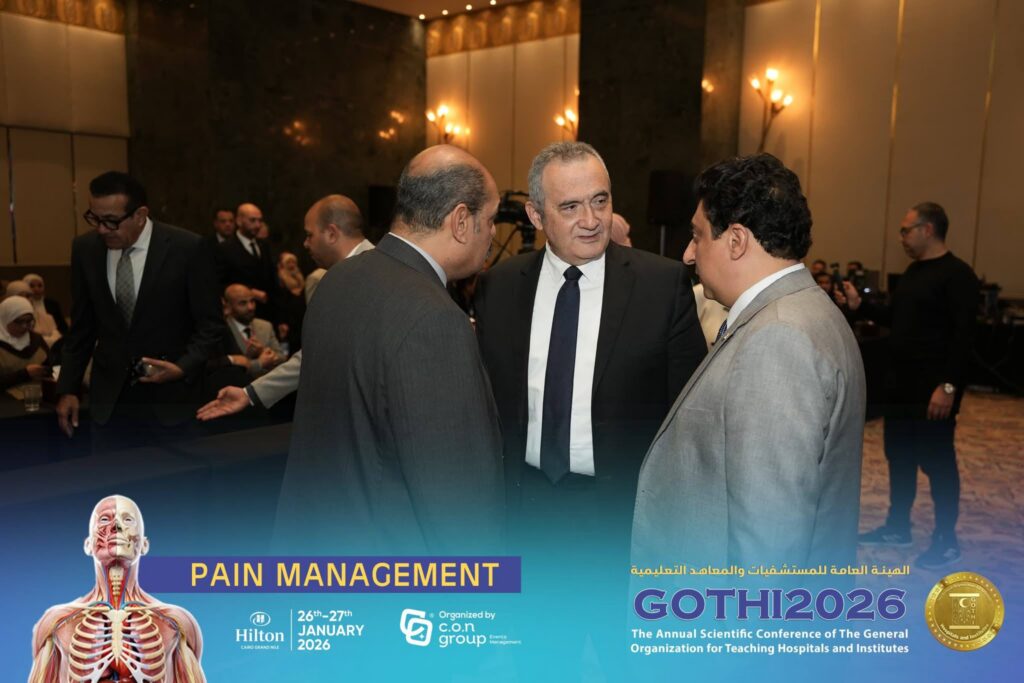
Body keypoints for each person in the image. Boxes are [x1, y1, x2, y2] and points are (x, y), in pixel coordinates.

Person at [473, 141, 706, 678]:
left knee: (629, 661)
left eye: (600, 201)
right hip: (528, 514)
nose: (591, 220)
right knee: (537, 660)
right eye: (571, 206)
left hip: (619, 519)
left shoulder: (662, 284)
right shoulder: (499, 287)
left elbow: (689, 413)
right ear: (536, 215)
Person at [632, 153, 866, 571]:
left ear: (736, 240)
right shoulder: (805, 310)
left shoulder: (778, 339)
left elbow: (768, 547)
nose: (688, 254)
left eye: (697, 236)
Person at [275, 147, 503, 554]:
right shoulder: (435, 318)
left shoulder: (337, 279)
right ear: (460, 221)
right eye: (490, 219)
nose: (494, 234)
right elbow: (456, 499)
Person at [851, 202, 978, 569]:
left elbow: (964, 340)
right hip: (901, 388)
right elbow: (898, 319)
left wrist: (949, 387)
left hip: (933, 392)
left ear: (928, 229)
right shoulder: (912, 272)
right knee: (900, 458)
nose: (901, 237)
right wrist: (862, 306)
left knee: (938, 464)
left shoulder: (958, 276)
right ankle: (898, 526)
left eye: (906, 230)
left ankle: (946, 539)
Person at [55, 171, 224, 448]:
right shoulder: (85, 249)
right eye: (95, 218)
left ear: (140, 214)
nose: (102, 229)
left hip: (171, 400)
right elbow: (82, 328)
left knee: (175, 477)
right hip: (110, 403)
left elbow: (211, 324)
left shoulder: (187, 248)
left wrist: (182, 367)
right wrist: (68, 389)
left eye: (111, 221)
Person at [197, 194, 373, 419]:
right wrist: (250, 393)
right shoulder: (339, 275)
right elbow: (317, 352)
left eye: (309, 235)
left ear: (331, 233)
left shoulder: (372, 273)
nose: (305, 244)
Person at [28, 495, 206, 682]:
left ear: (144, 545)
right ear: (88, 545)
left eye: (127, 520)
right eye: (105, 519)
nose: (116, 526)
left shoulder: (175, 622)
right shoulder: (57, 622)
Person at [217, 202, 278, 322]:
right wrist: (248, 291)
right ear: (239, 221)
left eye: (260, 221)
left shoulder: (264, 246)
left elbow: (272, 280)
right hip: (240, 315)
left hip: (267, 314)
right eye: (252, 220)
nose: (257, 225)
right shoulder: (225, 249)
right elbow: (220, 282)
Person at [218, 284, 285, 379]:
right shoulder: (223, 330)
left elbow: (282, 359)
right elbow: (226, 369)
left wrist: (263, 350)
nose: (251, 307)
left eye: (252, 301)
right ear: (228, 306)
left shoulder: (265, 326)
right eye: (242, 303)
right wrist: (257, 363)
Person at [0, 296, 52, 397]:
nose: (24, 326)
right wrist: (25, 374)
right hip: (5, 401)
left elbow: (51, 367)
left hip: (38, 397)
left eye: (28, 321)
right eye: (19, 322)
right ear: (5, 319)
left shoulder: (36, 339)